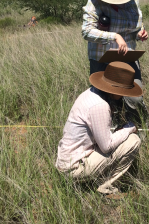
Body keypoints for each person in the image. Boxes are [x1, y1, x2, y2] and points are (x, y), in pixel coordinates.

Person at [55, 62, 143, 195]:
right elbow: (106, 146)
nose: (124, 96)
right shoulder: (100, 105)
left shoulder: (90, 93)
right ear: (114, 91)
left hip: (67, 160)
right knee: (133, 140)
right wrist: (129, 128)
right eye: (123, 92)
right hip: (74, 168)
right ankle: (105, 186)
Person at [82, 0, 148, 125]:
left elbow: (136, 25)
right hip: (102, 60)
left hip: (128, 58)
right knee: (104, 101)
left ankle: (136, 129)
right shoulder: (95, 2)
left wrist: (140, 33)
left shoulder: (133, 0)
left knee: (135, 98)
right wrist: (115, 36)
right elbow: (87, 31)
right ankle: (110, 131)